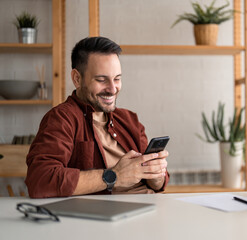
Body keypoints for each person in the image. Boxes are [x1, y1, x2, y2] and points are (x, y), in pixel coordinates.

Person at [25, 37, 169, 198]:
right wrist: (115, 175)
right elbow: (40, 180)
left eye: (117, 79)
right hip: (110, 215)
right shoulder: (61, 118)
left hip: (152, 206)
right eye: (101, 80)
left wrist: (156, 174)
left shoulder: (130, 119)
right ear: (77, 79)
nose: (112, 89)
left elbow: (157, 185)